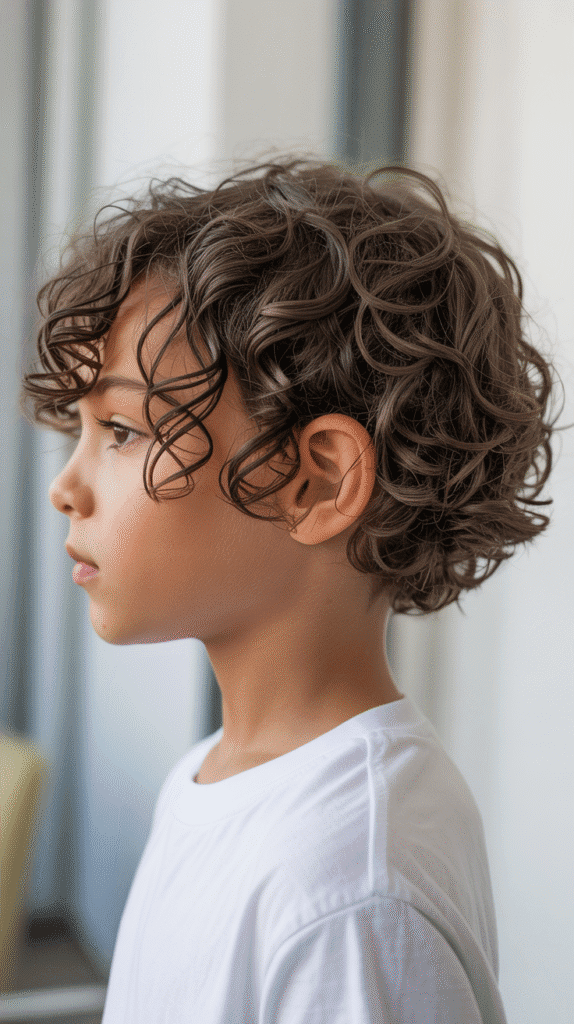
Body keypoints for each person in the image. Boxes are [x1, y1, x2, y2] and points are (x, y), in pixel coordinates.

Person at [20, 154, 560, 1022]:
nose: (66, 486)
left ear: (315, 481)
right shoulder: (215, 774)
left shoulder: (348, 891)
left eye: (119, 430)